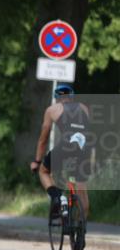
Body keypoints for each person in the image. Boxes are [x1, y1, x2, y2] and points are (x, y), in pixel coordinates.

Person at [31, 84, 92, 223]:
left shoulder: (52, 109)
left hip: (65, 146)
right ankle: (80, 228)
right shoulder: (84, 108)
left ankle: (58, 198)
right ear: (72, 97)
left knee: (44, 171)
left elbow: (43, 139)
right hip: (84, 148)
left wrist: (37, 161)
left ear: (56, 98)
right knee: (81, 185)